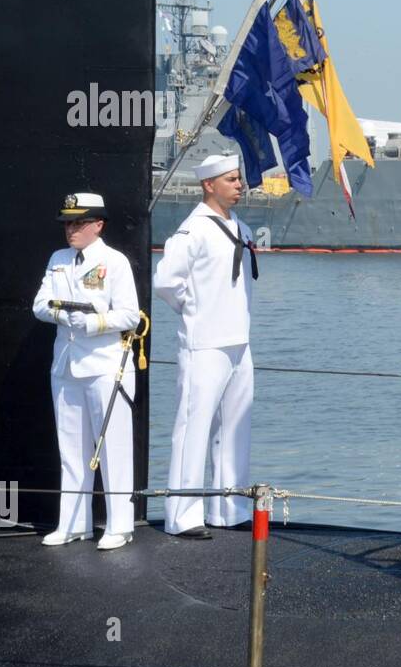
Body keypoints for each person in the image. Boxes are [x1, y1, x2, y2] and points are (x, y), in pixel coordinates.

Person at [153, 154, 258, 538]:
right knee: (192, 427)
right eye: (230, 179)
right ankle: (183, 515)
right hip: (205, 344)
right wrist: (194, 310)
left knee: (234, 428)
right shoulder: (192, 230)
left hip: (239, 341)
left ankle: (229, 509)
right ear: (208, 185)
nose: (239, 185)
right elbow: (165, 282)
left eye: (238, 179)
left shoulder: (240, 226)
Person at [31, 192, 140, 550]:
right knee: (71, 448)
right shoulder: (58, 259)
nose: (70, 230)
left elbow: (128, 315)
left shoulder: (115, 262)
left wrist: (91, 322)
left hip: (105, 364)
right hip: (66, 362)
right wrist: (65, 315)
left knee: (113, 448)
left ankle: (119, 525)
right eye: (67, 223)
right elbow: (40, 305)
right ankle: (75, 523)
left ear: (98, 224)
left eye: (78, 222)